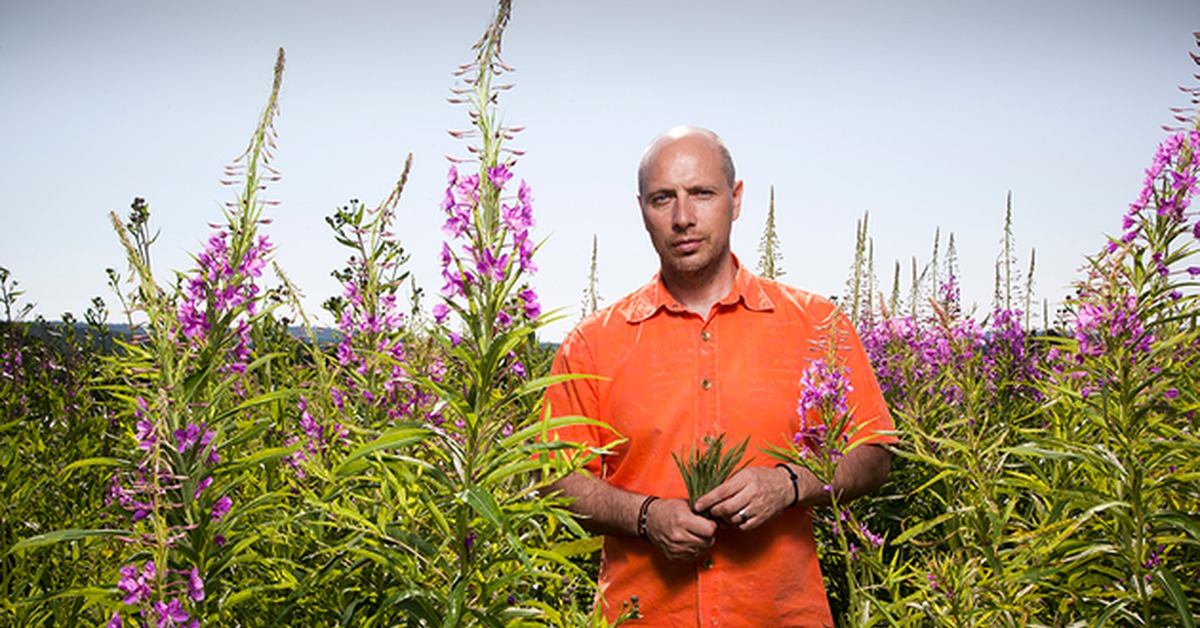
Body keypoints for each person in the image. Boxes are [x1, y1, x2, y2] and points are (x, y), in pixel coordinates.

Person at [543, 126, 895, 626]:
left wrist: (788, 484)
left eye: (702, 194)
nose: (683, 218)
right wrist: (645, 517)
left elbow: (874, 453)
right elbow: (558, 479)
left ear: (736, 199)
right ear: (641, 209)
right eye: (663, 198)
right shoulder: (593, 343)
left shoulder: (818, 325)